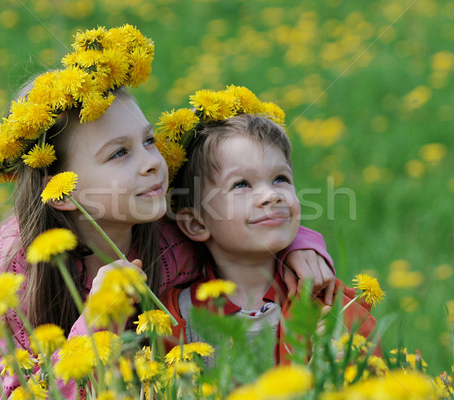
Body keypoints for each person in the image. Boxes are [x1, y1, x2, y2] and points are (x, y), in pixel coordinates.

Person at [0, 27, 335, 399]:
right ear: (61, 191)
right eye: (119, 153)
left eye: (148, 140)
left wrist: (298, 245)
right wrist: (100, 320)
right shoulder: (18, 269)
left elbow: (238, 223)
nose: (151, 162)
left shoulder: (167, 236)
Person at [159, 86, 378, 365]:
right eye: (241, 185)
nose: (271, 195)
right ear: (196, 223)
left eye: (280, 179)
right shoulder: (176, 317)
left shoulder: (329, 302)